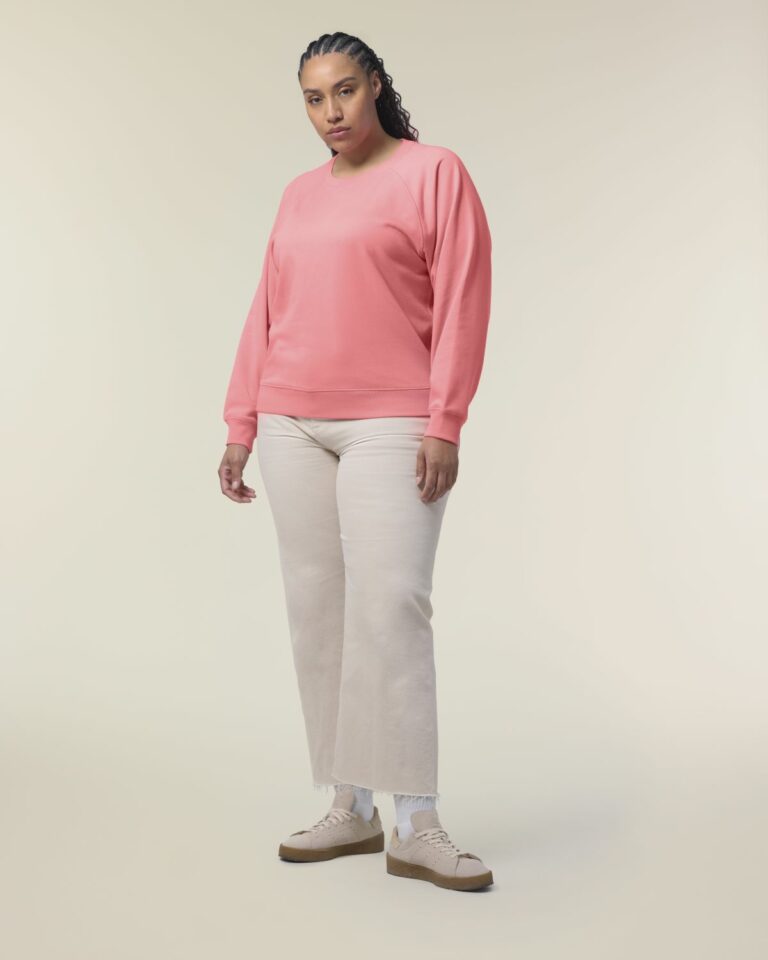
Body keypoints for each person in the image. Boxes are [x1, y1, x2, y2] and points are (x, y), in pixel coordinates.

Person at [218, 32, 494, 892]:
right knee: (319, 612)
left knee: (393, 606)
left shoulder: (434, 172)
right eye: (313, 98)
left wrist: (445, 420)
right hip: (290, 421)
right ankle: (351, 805)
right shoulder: (299, 195)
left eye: (343, 90)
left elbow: (464, 298)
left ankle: (417, 820)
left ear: (374, 84)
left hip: (393, 421)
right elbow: (267, 309)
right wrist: (240, 421)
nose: (330, 112)